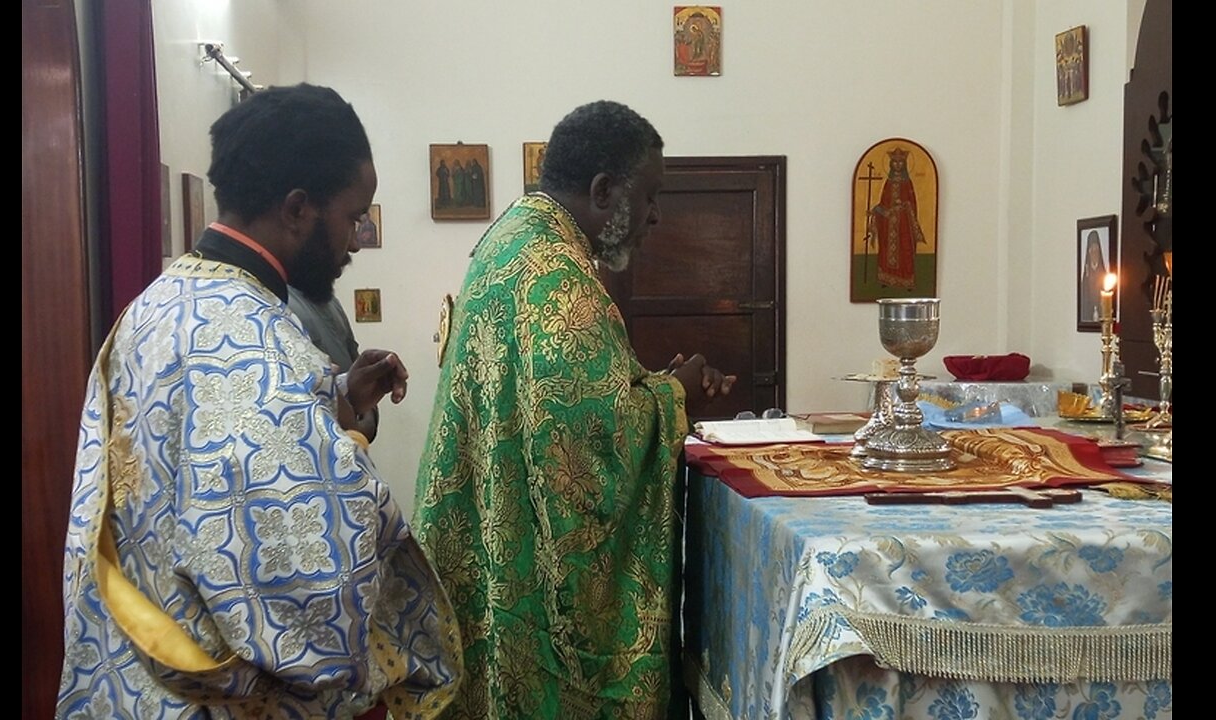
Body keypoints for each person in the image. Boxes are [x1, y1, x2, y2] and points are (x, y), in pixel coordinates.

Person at [56, 83, 462, 719]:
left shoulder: (157, 305)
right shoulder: (251, 340)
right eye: (353, 217)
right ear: (299, 208)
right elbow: (310, 598)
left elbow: (208, 477)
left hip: (130, 680)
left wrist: (330, 399)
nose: (356, 241)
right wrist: (347, 447)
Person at [411, 99, 735, 718]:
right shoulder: (559, 282)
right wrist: (676, 395)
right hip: (533, 590)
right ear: (604, 190)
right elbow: (592, 462)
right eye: (650, 196)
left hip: (486, 542)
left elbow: (558, 406)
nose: (656, 216)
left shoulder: (511, 241)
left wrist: (652, 382)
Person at [288, 282, 380, 442]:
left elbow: (353, 364)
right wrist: (352, 426)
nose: (351, 256)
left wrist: (369, 411)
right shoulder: (281, 305)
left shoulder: (331, 303)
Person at [866, 147, 926, 289]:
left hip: (904, 222)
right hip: (888, 222)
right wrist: (878, 210)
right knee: (887, 248)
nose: (898, 165)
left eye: (900, 162)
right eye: (895, 162)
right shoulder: (888, 182)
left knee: (904, 248)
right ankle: (887, 279)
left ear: (904, 164)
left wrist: (903, 206)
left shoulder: (907, 183)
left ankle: (906, 280)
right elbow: (883, 202)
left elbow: (912, 203)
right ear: (891, 164)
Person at [1081, 229, 1108, 322]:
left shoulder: (1103, 273)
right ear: (1089, 252)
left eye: (1096, 249)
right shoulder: (1086, 274)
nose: (1094, 253)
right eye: (1092, 250)